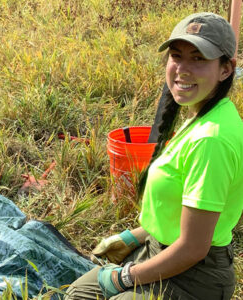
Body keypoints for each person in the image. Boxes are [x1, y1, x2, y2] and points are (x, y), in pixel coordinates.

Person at [64, 12, 243, 300]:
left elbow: (194, 247)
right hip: (161, 251)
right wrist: (134, 236)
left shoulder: (211, 140)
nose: (183, 69)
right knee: (75, 294)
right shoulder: (204, 114)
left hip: (194, 276)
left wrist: (125, 277)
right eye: (177, 56)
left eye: (199, 59)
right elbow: (179, 210)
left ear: (225, 69)